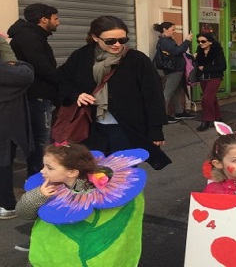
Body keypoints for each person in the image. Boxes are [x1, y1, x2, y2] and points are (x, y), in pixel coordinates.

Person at [57, 15, 171, 170]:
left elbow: (153, 95)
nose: (117, 45)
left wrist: (156, 130)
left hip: (126, 128)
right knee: (94, 173)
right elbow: (62, 80)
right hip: (90, 128)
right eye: (110, 41)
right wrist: (76, 95)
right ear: (95, 37)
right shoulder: (81, 56)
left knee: (124, 174)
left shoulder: (137, 60)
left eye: (122, 40)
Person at [16, 142, 146, 266]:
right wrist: (39, 195)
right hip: (53, 254)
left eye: (49, 168)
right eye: (43, 165)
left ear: (72, 172)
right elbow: (23, 212)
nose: (42, 171)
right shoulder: (45, 186)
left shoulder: (102, 188)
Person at [7, 3, 60, 177]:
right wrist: (64, 82)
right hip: (37, 96)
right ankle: (39, 177)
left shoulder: (32, 36)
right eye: (55, 18)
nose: (58, 22)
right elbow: (42, 68)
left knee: (38, 138)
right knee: (41, 139)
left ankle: (37, 174)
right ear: (43, 19)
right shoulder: (30, 38)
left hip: (36, 95)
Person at [0, 40, 34, 219]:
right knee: (3, 162)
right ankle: (6, 204)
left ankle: (6, 204)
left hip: (6, 126)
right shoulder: (12, 72)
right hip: (7, 126)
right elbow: (26, 73)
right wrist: (15, 63)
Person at [153, 22, 194, 124]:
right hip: (173, 71)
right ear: (165, 30)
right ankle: (162, 115)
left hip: (176, 69)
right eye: (172, 29)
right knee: (168, 92)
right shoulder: (165, 41)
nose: (174, 31)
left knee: (176, 91)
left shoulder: (167, 40)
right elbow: (176, 51)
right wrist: (187, 41)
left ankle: (179, 112)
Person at [192, 33, 226, 131]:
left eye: (203, 41)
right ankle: (218, 118)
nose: (200, 43)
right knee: (212, 98)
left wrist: (205, 68)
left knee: (206, 98)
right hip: (203, 78)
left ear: (210, 42)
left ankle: (207, 120)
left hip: (214, 78)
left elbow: (223, 67)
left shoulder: (217, 51)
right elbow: (198, 65)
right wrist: (195, 58)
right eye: (198, 41)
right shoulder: (200, 51)